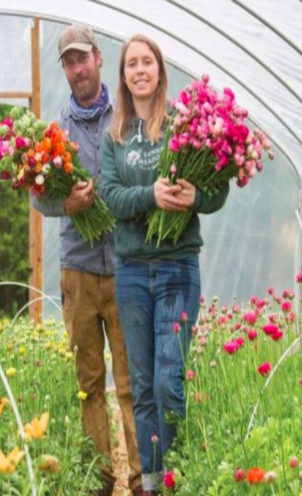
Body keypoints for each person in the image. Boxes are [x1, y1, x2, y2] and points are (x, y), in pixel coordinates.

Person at [100, 34, 229, 494]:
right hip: (133, 271)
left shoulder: (183, 124)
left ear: (159, 70)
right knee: (141, 386)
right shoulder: (113, 135)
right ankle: (152, 482)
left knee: (170, 379)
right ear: (123, 75)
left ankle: (176, 475)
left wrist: (198, 197)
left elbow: (217, 186)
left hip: (177, 267)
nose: (139, 70)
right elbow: (110, 197)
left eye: (147, 62)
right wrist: (150, 195)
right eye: (131, 63)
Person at [31, 24, 142, 496]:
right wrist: (67, 205)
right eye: (69, 62)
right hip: (77, 269)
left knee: (131, 380)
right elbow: (38, 198)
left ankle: (140, 480)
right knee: (88, 382)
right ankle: (100, 480)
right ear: (66, 70)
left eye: (84, 58)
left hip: (124, 266)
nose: (78, 69)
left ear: (99, 58)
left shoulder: (128, 118)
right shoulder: (55, 130)